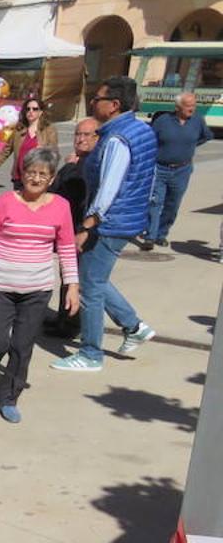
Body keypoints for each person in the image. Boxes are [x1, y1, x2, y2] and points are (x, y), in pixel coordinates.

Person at [0, 149, 79, 423]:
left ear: (51, 178)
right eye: (31, 172)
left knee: (22, 346)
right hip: (0, 285)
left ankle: (9, 397)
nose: (35, 178)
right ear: (22, 173)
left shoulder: (61, 206)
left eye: (42, 174)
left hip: (37, 290)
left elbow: (66, 249)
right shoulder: (5, 202)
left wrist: (72, 285)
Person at [52, 76, 157, 373]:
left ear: (114, 105)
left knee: (89, 286)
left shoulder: (116, 139)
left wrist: (87, 226)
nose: (92, 102)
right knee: (95, 278)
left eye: (97, 99)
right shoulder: (139, 129)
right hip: (127, 218)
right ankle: (133, 326)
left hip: (110, 222)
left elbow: (110, 187)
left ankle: (90, 353)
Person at [47, 117, 100, 337]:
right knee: (67, 275)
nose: (80, 139)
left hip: (81, 230)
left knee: (75, 278)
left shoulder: (91, 164)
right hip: (67, 228)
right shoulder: (78, 161)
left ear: (98, 138)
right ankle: (63, 319)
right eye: (78, 134)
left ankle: (70, 324)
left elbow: (70, 192)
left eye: (87, 135)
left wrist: (70, 166)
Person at [142, 91, 211, 249]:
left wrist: (190, 147)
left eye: (194, 105)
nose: (192, 109)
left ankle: (161, 233)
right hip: (160, 168)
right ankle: (150, 237)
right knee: (155, 202)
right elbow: (151, 139)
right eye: (188, 106)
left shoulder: (198, 120)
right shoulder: (163, 121)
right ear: (178, 107)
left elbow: (207, 136)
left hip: (182, 170)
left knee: (172, 205)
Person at [0, 96, 59, 190]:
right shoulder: (19, 131)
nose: (31, 111)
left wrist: (51, 174)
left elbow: (54, 153)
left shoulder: (49, 130)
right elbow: (5, 152)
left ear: (41, 112)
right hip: (20, 177)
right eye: (28, 109)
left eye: (35, 109)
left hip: (38, 178)